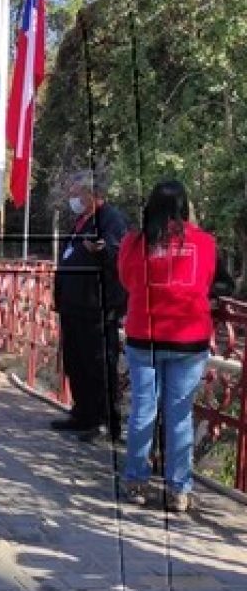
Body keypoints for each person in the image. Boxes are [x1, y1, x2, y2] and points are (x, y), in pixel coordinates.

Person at [118, 179, 216, 512]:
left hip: (144, 336)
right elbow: (205, 282)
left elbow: (127, 281)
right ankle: (178, 490)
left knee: (143, 410)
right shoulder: (203, 242)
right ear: (185, 206)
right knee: (179, 416)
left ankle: (136, 481)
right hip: (189, 339)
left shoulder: (135, 241)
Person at [51, 167, 130, 444]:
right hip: (74, 305)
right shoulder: (82, 220)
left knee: (97, 365)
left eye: (76, 193)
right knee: (76, 362)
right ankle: (81, 413)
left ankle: (102, 421)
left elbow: (118, 253)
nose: (72, 198)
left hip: (96, 306)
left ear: (92, 194)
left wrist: (103, 249)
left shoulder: (111, 219)